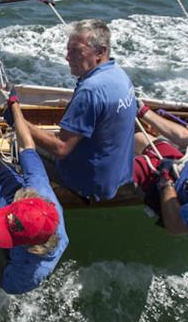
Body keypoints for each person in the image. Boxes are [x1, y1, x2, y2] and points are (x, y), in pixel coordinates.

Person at [17, 19, 137, 202]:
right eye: (68, 49)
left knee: (20, 149)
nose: (67, 57)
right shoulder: (119, 74)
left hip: (90, 184)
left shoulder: (90, 91)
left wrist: (18, 121)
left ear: (100, 52)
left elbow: (61, 149)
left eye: (76, 51)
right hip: (118, 175)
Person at [0, 92, 69, 294]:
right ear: (28, 198)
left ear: (30, 247)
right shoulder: (40, 189)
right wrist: (14, 106)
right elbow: (26, 146)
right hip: (3, 183)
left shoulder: (28, 273)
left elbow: (1, 282)